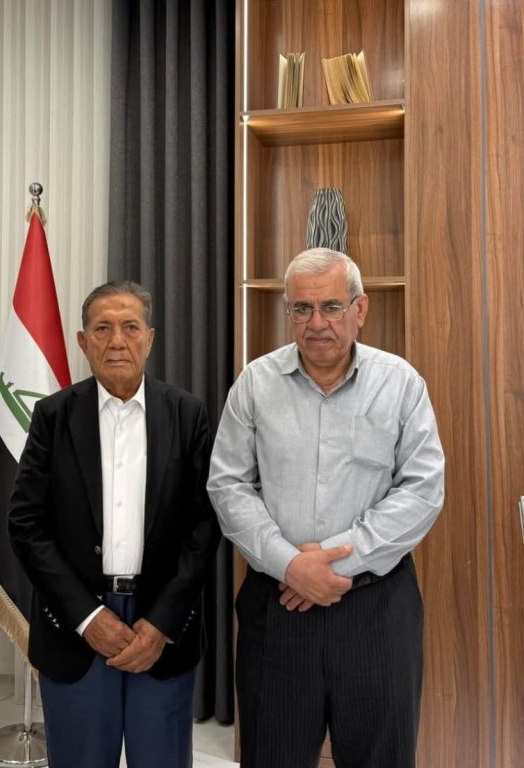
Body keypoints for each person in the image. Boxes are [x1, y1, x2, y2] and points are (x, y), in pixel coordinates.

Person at [208, 248, 445, 768]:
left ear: (360, 309)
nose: (316, 323)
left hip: (376, 611)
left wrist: (331, 563)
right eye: (302, 308)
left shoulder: (401, 383)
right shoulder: (255, 384)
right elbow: (227, 486)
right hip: (278, 609)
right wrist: (290, 565)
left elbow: (422, 489)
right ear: (288, 311)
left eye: (331, 307)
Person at [8, 280, 221, 768]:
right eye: (103, 329)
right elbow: (25, 524)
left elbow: (205, 525)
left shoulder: (187, 413)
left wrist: (162, 621)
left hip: (160, 627)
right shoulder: (53, 416)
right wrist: (87, 617)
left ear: (150, 338)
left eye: (130, 327)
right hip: (76, 624)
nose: (117, 341)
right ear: (83, 342)